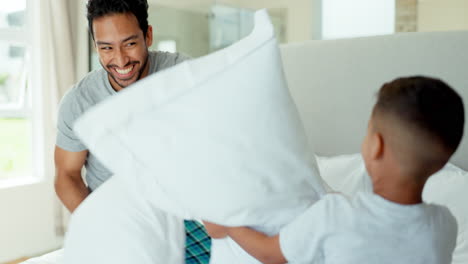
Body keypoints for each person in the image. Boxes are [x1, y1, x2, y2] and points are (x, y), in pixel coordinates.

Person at [204, 76, 464, 264]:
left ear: (376, 145)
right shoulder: (444, 225)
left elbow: (269, 254)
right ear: (442, 163)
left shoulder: (334, 215)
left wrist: (231, 228)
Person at [54, 0, 210, 263]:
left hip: (181, 214)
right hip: (117, 219)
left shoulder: (184, 75)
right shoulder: (79, 101)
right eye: (106, 48)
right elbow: (67, 175)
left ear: (148, 35)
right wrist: (101, 227)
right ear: (96, 46)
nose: (120, 60)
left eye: (129, 43)